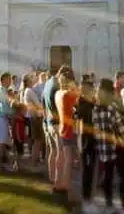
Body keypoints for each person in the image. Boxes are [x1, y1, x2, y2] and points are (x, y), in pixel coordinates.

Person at [93, 78, 124, 212]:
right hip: (116, 146)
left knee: (108, 175)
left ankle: (108, 203)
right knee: (122, 175)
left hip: (103, 146)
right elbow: (120, 129)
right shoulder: (112, 109)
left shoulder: (95, 109)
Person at [54, 67, 79, 204]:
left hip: (62, 127)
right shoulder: (68, 94)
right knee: (69, 161)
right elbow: (79, 98)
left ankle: (58, 184)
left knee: (62, 158)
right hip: (69, 128)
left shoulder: (58, 93)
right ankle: (67, 191)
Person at [75, 79, 98, 211]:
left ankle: (87, 194)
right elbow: (79, 122)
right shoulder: (85, 105)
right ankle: (87, 195)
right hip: (87, 138)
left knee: (89, 168)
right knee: (89, 168)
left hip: (87, 137)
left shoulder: (84, 103)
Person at [42, 66, 63, 192]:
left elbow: (43, 103)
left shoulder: (46, 84)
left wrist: (45, 121)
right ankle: (57, 180)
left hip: (47, 122)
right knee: (60, 151)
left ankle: (51, 176)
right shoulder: (56, 85)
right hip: (56, 122)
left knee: (52, 150)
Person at [0, 72, 14, 170]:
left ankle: (3, 163)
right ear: (4, 80)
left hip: (4, 119)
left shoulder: (5, 91)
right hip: (1, 119)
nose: (10, 81)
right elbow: (4, 108)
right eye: (9, 79)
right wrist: (13, 113)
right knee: (1, 142)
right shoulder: (1, 92)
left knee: (4, 142)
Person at [23, 74, 45, 166]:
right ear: (28, 81)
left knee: (38, 140)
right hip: (35, 117)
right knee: (37, 140)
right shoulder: (29, 91)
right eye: (31, 78)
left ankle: (35, 160)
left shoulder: (29, 90)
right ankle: (33, 161)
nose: (34, 79)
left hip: (34, 117)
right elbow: (38, 103)